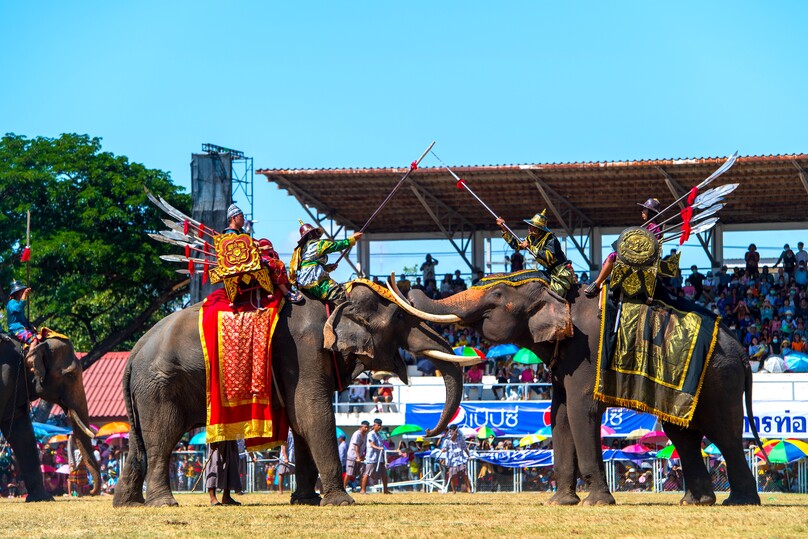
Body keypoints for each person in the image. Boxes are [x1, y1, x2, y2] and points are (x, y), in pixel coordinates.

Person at [585, 198, 662, 297]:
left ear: (650, 212)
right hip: (637, 255)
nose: (642, 212)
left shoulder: (654, 227)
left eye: (644, 210)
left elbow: (646, 246)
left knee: (612, 257)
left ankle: (597, 283)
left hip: (640, 259)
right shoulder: (648, 226)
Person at [497, 209, 574, 297]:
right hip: (549, 272)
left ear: (538, 229)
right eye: (529, 225)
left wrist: (530, 247)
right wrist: (504, 229)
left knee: (554, 294)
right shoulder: (532, 238)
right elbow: (516, 245)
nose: (529, 228)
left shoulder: (551, 239)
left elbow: (548, 256)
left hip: (561, 273)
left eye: (532, 226)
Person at [289, 221, 363, 303]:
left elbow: (309, 265)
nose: (318, 235)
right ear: (310, 235)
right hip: (314, 281)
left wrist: (327, 268)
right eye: (315, 232)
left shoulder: (303, 249)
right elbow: (335, 246)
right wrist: (351, 239)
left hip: (304, 281)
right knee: (340, 295)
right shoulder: (317, 244)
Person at [256, 238, 302, 303]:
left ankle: (287, 286)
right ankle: (285, 292)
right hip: (250, 261)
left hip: (255, 257)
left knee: (275, 256)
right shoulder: (236, 234)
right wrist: (260, 248)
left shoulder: (242, 231)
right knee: (275, 263)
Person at [206, 440, 241, 506]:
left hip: (230, 436)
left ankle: (226, 497)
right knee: (214, 463)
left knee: (230, 463)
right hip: (216, 436)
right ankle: (212, 497)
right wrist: (213, 439)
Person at [361, 418, 390, 494]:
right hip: (371, 458)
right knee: (367, 473)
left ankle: (385, 490)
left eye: (381, 425)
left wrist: (383, 458)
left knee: (384, 474)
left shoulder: (379, 435)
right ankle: (363, 490)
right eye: (378, 425)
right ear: (374, 425)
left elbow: (381, 446)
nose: (380, 427)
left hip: (379, 458)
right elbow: (372, 444)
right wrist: (379, 448)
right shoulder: (371, 434)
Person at [440, 425, 472, 493]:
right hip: (452, 460)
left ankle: (469, 489)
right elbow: (444, 448)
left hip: (460, 458)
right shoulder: (447, 440)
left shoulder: (460, 438)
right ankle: (454, 490)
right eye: (453, 431)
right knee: (452, 475)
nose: (455, 432)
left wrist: (469, 455)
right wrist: (443, 450)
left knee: (465, 474)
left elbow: (465, 448)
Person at [343, 420, 369, 491]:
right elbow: (356, 446)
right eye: (365, 427)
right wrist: (357, 457)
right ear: (361, 427)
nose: (366, 429)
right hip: (352, 456)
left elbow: (365, 446)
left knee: (362, 473)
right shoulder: (357, 434)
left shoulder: (366, 435)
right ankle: (343, 488)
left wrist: (364, 456)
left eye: (368, 428)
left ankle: (362, 490)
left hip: (360, 457)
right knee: (349, 473)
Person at [276, 429, 295, 495]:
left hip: (293, 457)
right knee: (281, 473)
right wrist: (285, 457)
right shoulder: (287, 434)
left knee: (297, 473)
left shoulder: (295, 434)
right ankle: (280, 491)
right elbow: (283, 447)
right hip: (284, 458)